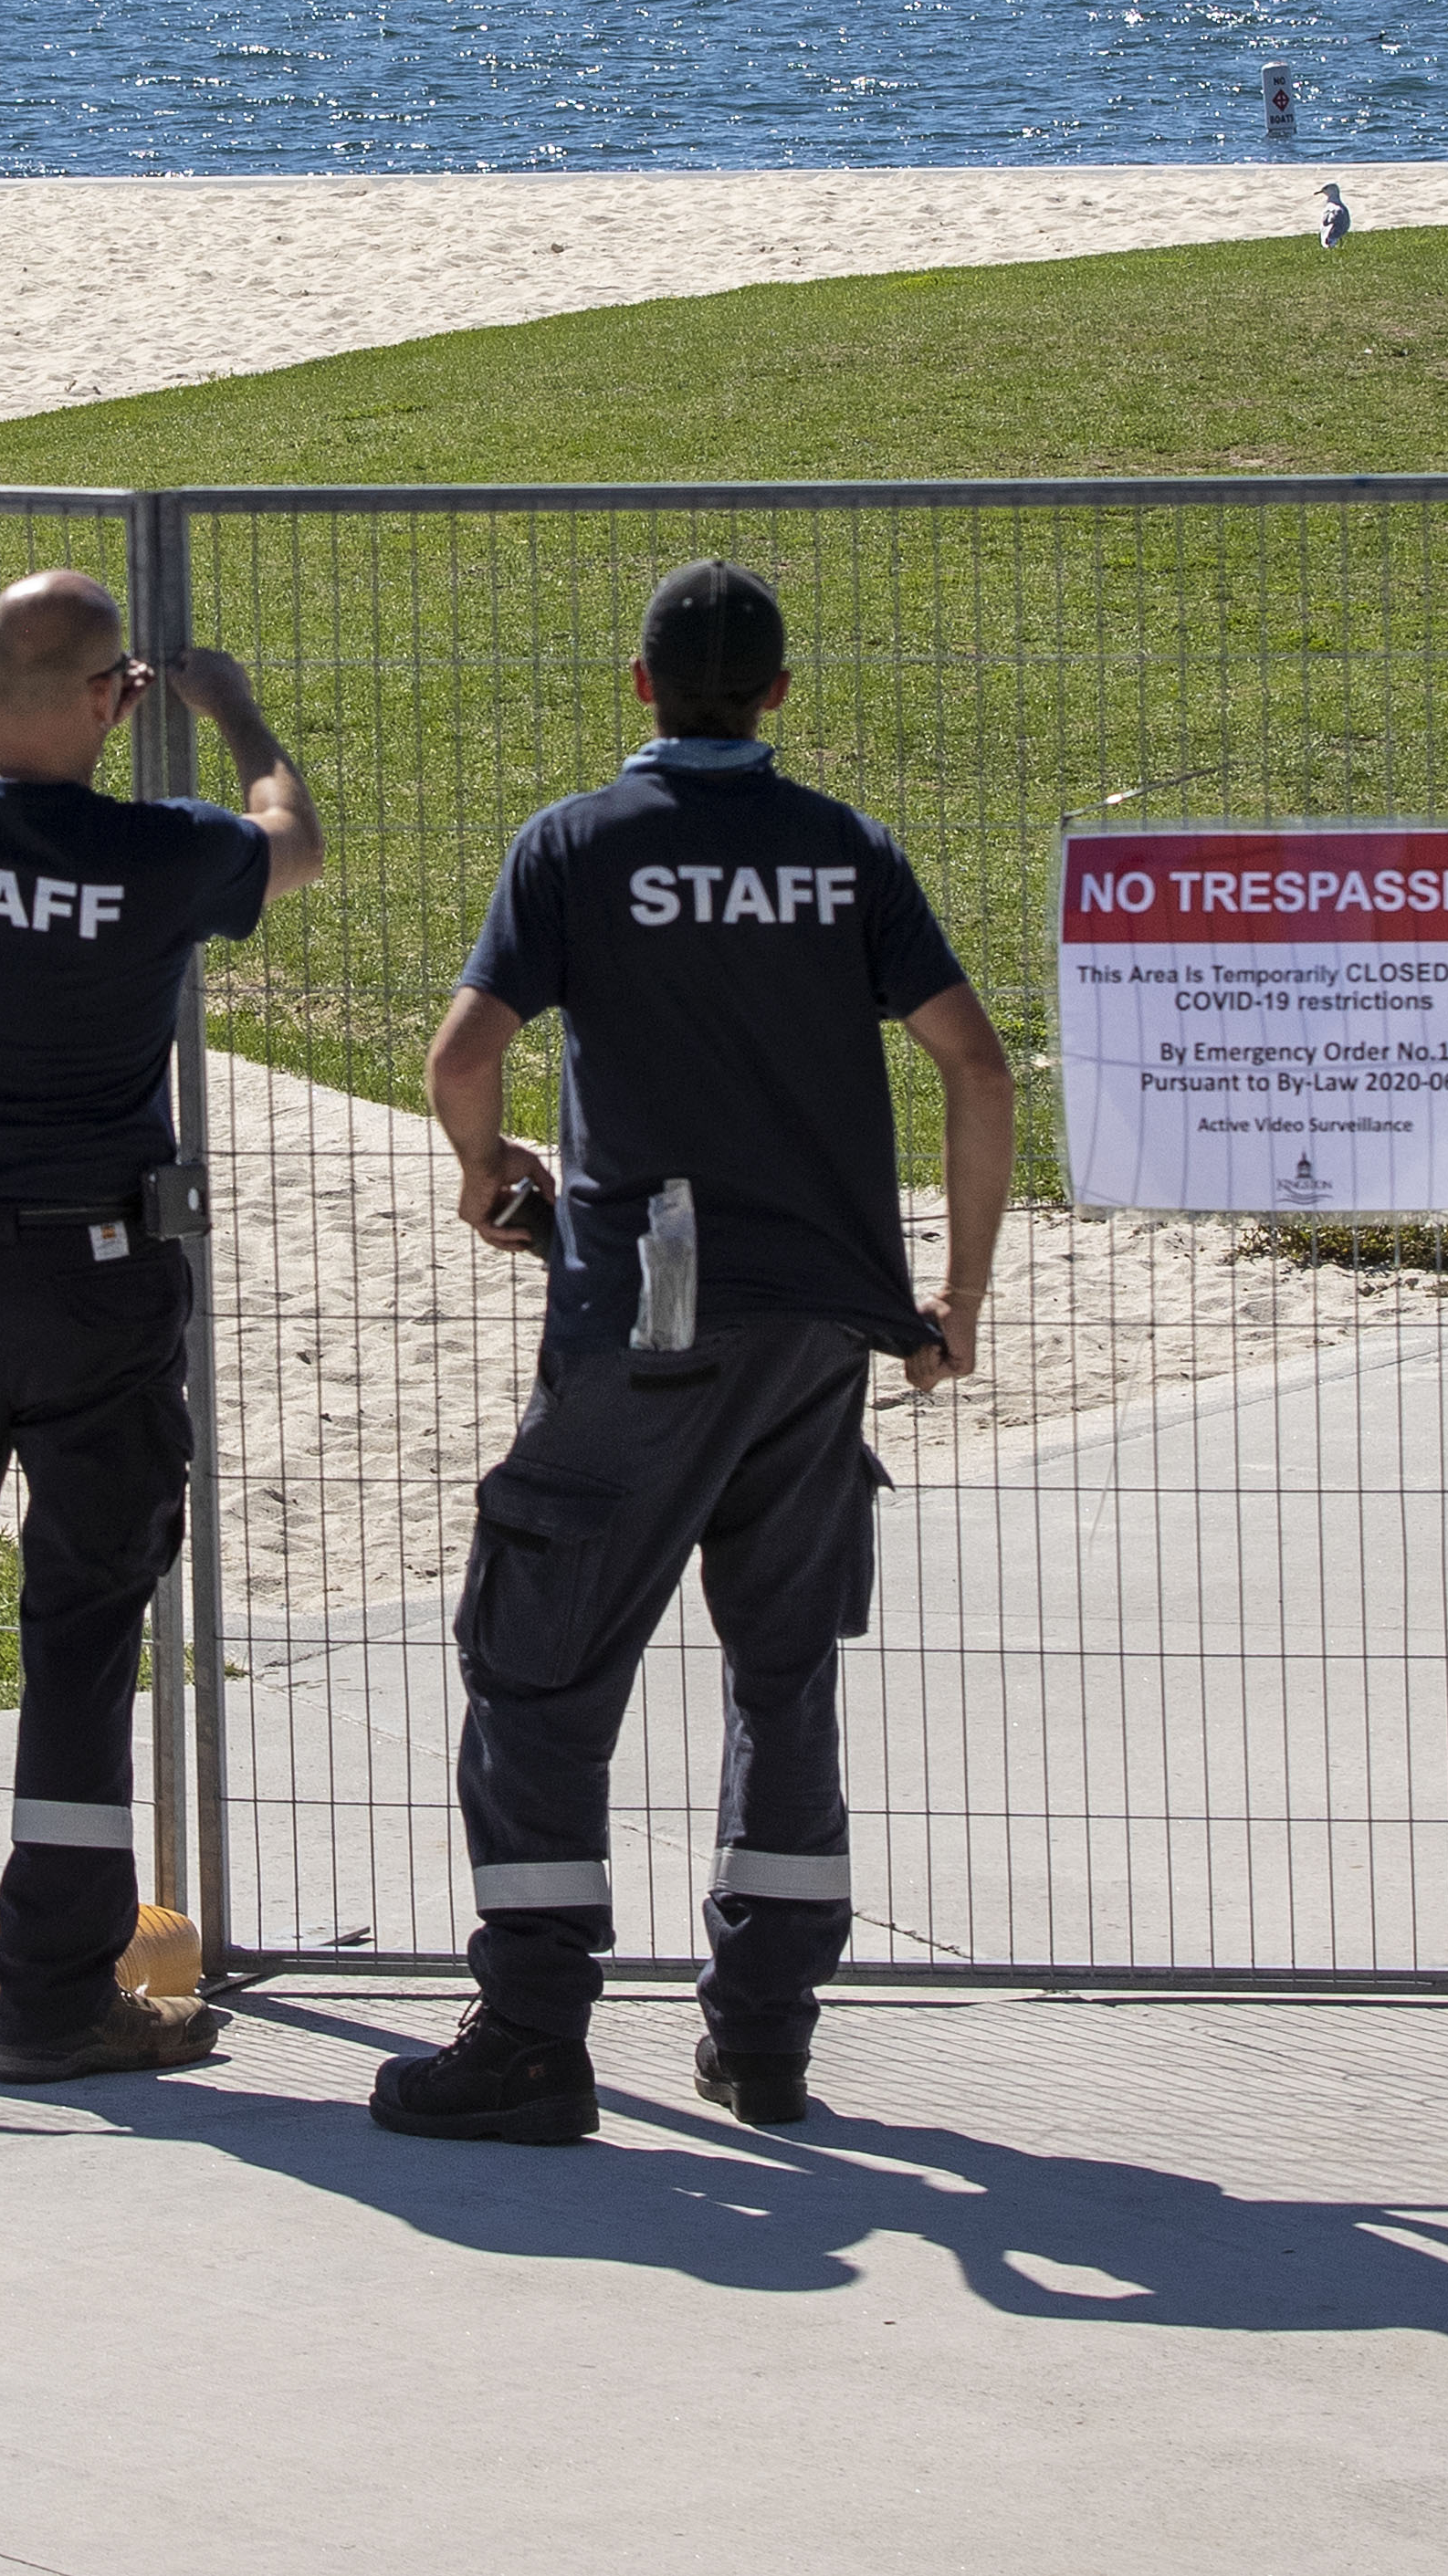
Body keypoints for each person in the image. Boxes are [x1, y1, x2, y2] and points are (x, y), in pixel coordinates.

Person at [373, 559, 1013, 2145]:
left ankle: (532, 2029)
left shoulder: (578, 844)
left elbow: (465, 1054)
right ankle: (766, 2034)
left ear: (639, 685)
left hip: (644, 1311)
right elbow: (976, 1067)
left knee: (539, 1659)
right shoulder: (844, 849)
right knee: (783, 1672)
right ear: (781, 696)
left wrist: (485, 1166)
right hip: (819, 1328)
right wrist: (961, 1304)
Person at [0, 570, 322, 2082]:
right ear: (116, 700)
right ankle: (57, 1986)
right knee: (84, 1627)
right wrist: (235, 713)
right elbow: (294, 842)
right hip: (94, 1276)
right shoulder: (156, 857)